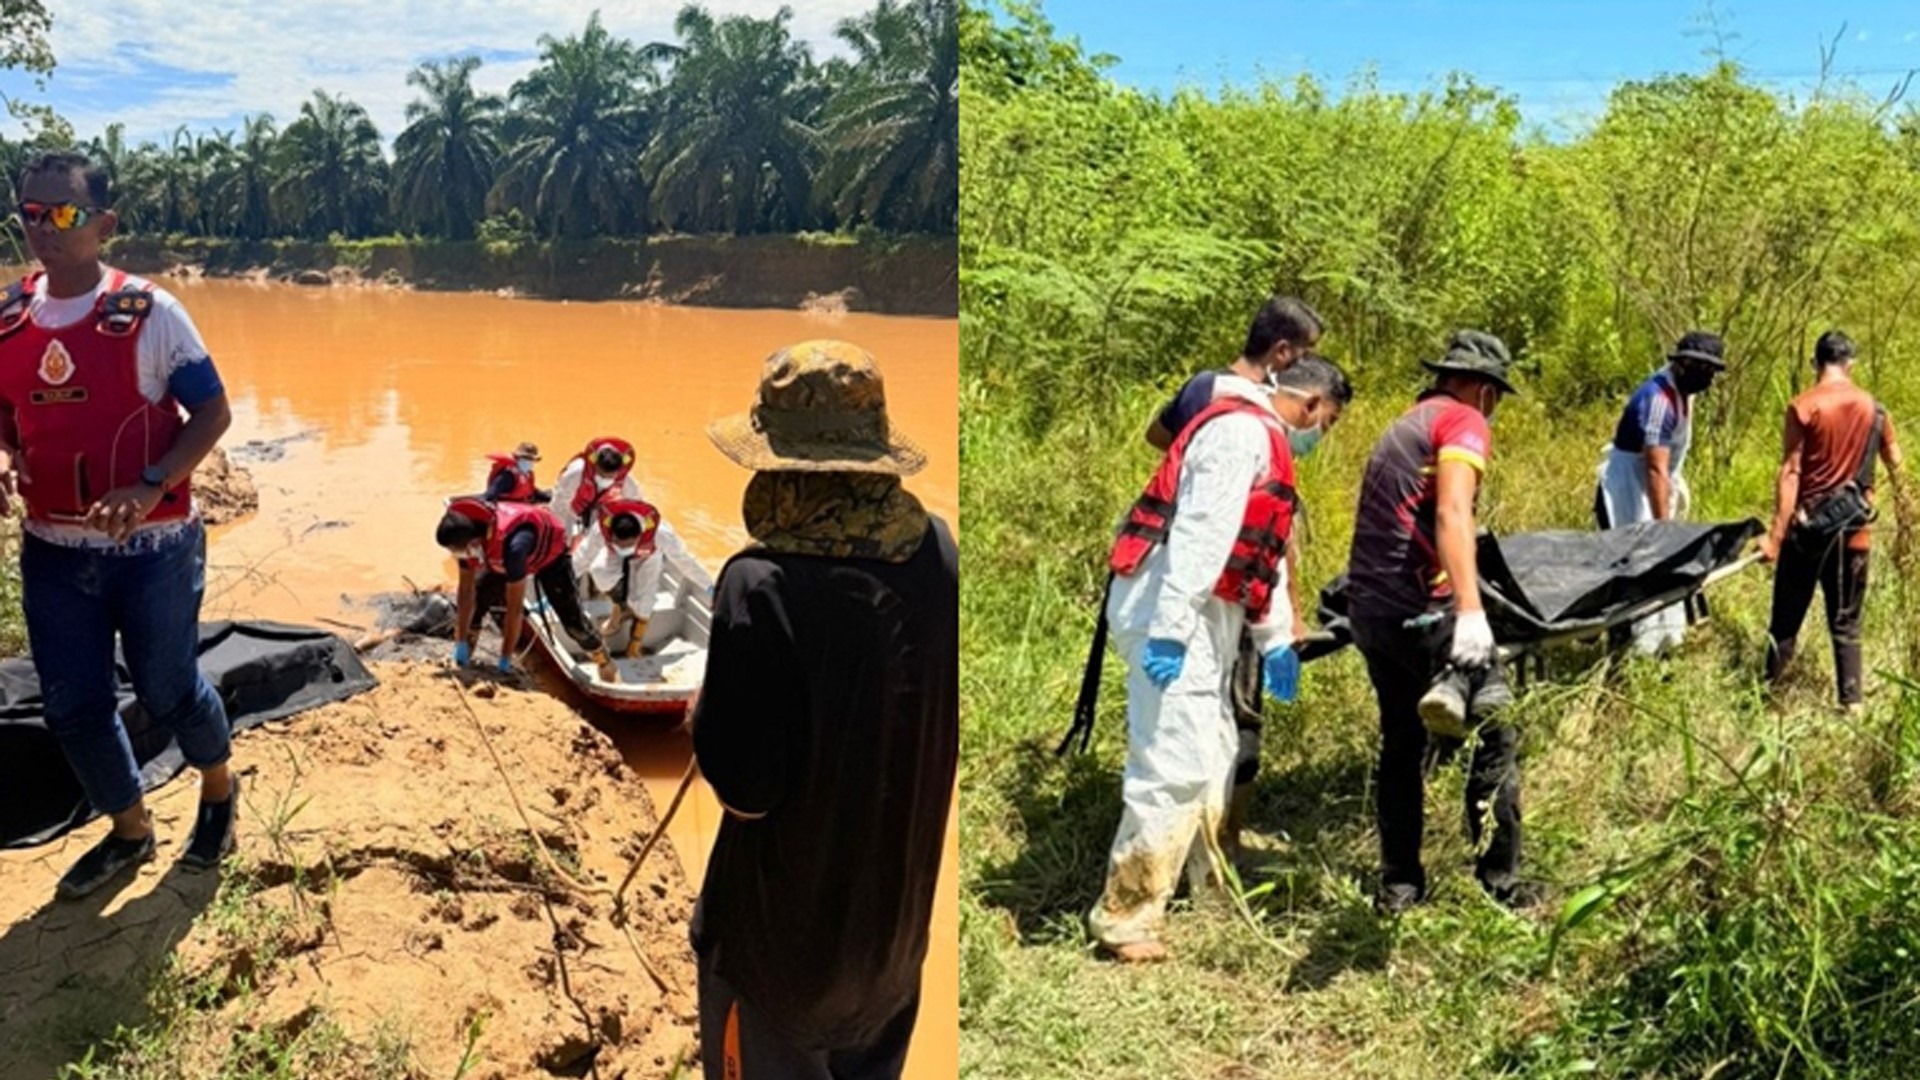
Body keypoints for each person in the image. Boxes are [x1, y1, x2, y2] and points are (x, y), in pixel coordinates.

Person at [689, 340, 955, 1079]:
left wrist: (705, 710)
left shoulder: (760, 583)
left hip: (780, 961)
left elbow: (745, 792)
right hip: (893, 945)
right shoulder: (938, 553)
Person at [0, 149, 238, 899]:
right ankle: (130, 830)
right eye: (30, 212)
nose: (44, 227)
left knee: (169, 689)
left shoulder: (150, 313)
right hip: (52, 550)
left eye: (63, 213)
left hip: (153, 549)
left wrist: (149, 483)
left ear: (104, 224)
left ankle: (219, 792)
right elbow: (5, 418)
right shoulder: (7, 320)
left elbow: (213, 412)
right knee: (73, 706)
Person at [1089, 355, 1352, 962]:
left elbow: (1263, 555)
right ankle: (1125, 916)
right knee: (1173, 761)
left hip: (1208, 621)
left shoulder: (1267, 444)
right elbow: (1200, 539)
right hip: (1169, 613)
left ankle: (1210, 889)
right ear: (1312, 404)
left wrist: (1275, 640)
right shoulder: (1237, 435)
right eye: (1330, 422)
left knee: (1216, 754)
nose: (1323, 435)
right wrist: (1170, 632)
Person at [1344, 330, 1537, 915]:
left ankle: (1400, 886)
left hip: (1370, 610)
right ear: (1484, 389)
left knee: (1401, 743)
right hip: (1422, 610)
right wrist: (1471, 611)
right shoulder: (1463, 421)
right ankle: (1501, 884)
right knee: (1495, 731)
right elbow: (1453, 511)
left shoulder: (1408, 422)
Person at [1142, 294, 1324, 862]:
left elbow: (1157, 435)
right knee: (1228, 715)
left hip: (1201, 580)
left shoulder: (1202, 388)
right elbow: (1252, 529)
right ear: (1282, 352)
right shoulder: (1249, 418)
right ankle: (1219, 843)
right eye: (1306, 356)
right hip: (1222, 586)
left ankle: (1207, 848)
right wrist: (1288, 617)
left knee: (1201, 722)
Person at [1760, 330, 1911, 712]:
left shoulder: (1803, 407)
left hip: (1807, 534)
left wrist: (1775, 537)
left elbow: (1791, 472)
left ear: (1816, 363)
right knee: (1847, 622)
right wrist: (1908, 524)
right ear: (1851, 364)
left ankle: (1770, 701)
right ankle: (1852, 704)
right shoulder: (1876, 410)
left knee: (1786, 620)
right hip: (1854, 535)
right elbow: (1897, 467)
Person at [1594, 331, 1727, 653]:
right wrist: (1663, 528)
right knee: (1632, 573)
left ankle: (1659, 649)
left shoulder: (1684, 397)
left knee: (1658, 572)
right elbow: (1655, 468)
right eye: (1699, 368)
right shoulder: (1658, 400)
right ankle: (1623, 653)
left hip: (1653, 490)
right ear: (1680, 364)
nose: (1705, 376)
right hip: (1628, 492)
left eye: (1710, 371)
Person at [436, 496, 617, 682]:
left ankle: (604, 660)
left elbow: (514, 610)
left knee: (574, 624)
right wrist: (460, 641)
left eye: (457, 550)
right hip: (499, 555)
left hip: (550, 558)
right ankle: (466, 654)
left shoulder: (515, 547)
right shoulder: (468, 536)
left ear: (475, 543)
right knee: (478, 601)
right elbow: (466, 593)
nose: (456, 555)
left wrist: (505, 661)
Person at [573, 497, 664, 659]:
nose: (623, 548)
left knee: (644, 599)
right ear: (612, 535)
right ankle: (620, 608)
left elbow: (684, 560)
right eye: (619, 543)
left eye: (626, 545)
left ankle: (634, 645)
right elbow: (583, 557)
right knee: (599, 571)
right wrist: (564, 584)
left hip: (648, 557)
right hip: (612, 555)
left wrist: (708, 587)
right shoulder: (601, 529)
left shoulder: (661, 534)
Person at [552, 436, 643, 540]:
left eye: (610, 477)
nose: (605, 479)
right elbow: (560, 503)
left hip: (599, 510)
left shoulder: (627, 479)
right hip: (571, 509)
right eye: (601, 475)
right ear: (595, 466)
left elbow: (635, 504)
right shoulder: (576, 472)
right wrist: (562, 531)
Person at [483, 440, 549, 503]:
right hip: (506, 506)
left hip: (522, 504)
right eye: (526, 458)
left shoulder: (527, 474)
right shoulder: (508, 476)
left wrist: (547, 497)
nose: (529, 462)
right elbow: (490, 493)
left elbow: (531, 491)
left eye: (531, 460)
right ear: (517, 458)